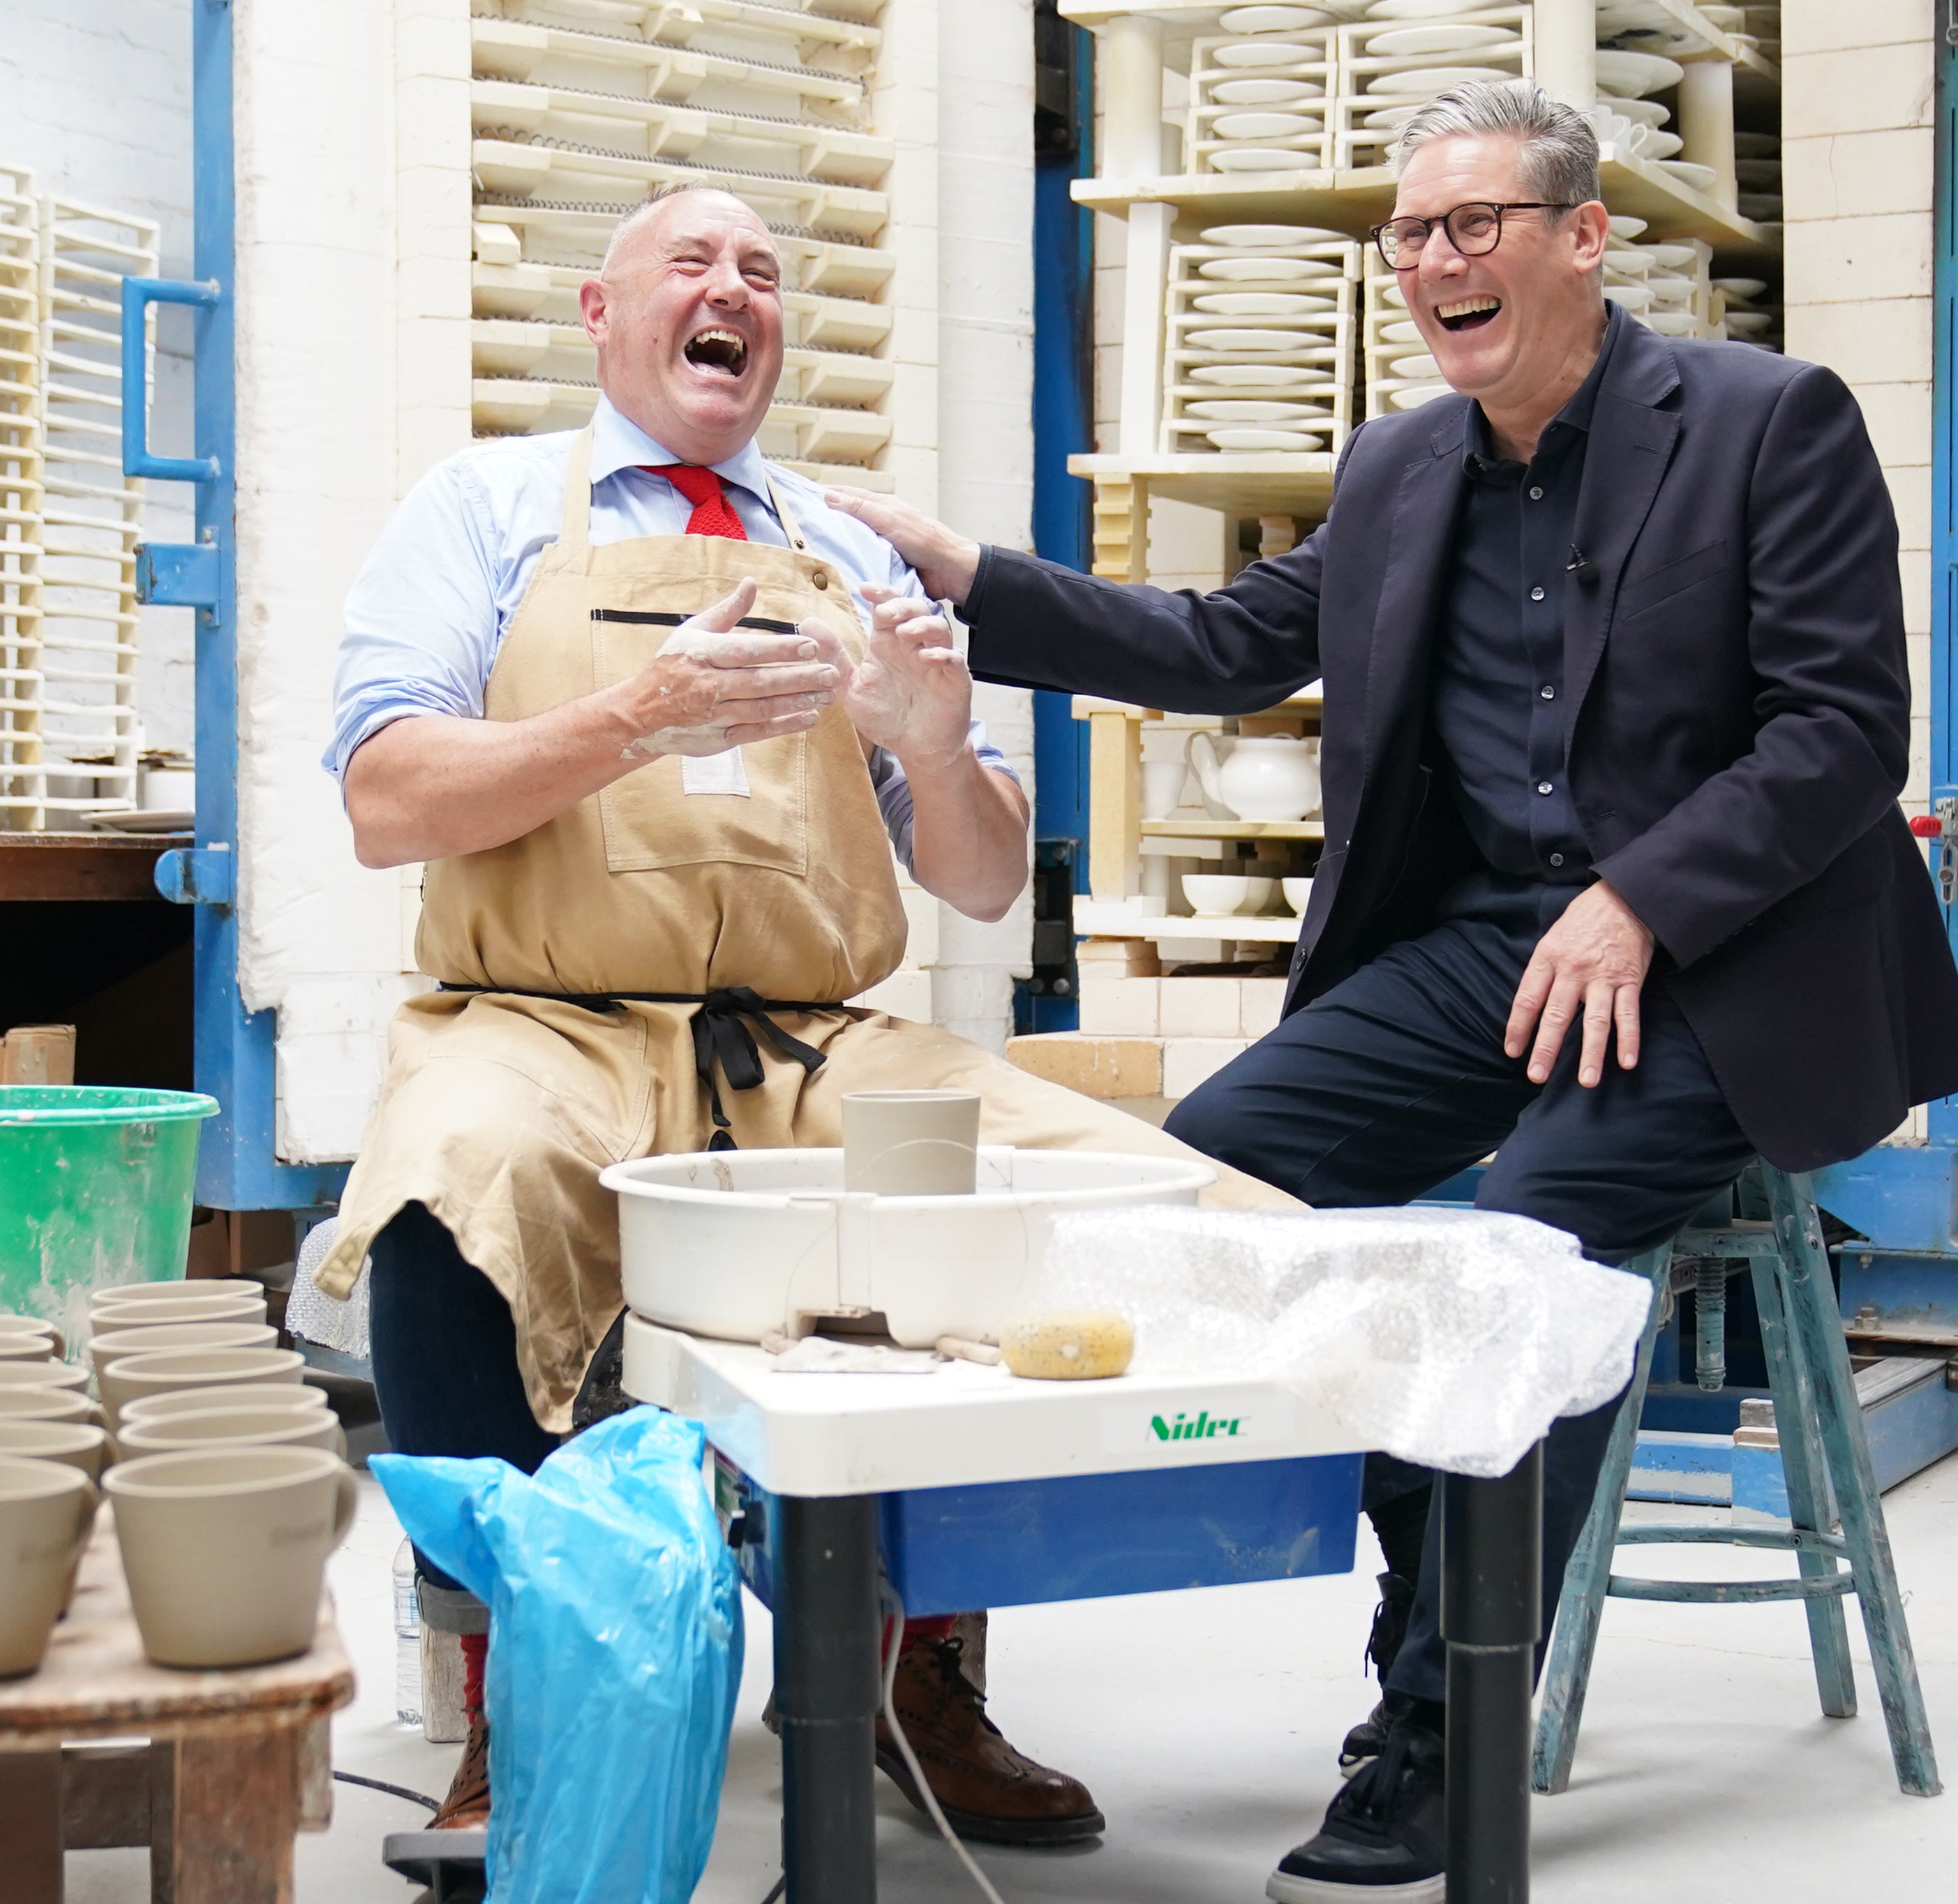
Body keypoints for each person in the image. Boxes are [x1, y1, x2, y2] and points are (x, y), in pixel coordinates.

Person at [823, 78, 1958, 1903]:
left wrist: (1640, 901)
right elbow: (1216, 650)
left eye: (1475, 225)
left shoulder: (1769, 424)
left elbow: (1844, 734)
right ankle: (1434, 1583)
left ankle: (1441, 1723)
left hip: (1729, 961)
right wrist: (965, 574)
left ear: (1584, 236)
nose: (1434, 261)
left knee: (1519, 1247)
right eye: (1410, 235)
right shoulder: (1398, 464)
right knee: (1224, 1173)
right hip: (1482, 950)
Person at [312, 179, 1294, 1854]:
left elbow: (978, 881)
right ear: (596, 314)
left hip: (804, 1036)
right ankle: (517, 1700)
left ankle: (922, 1672)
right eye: (689, 265)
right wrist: (637, 709)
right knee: (452, 1174)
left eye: (762, 273)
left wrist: (929, 740)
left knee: (1086, 1188)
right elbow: (388, 798)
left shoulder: (839, 549)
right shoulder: (476, 508)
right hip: (540, 1016)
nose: (732, 292)